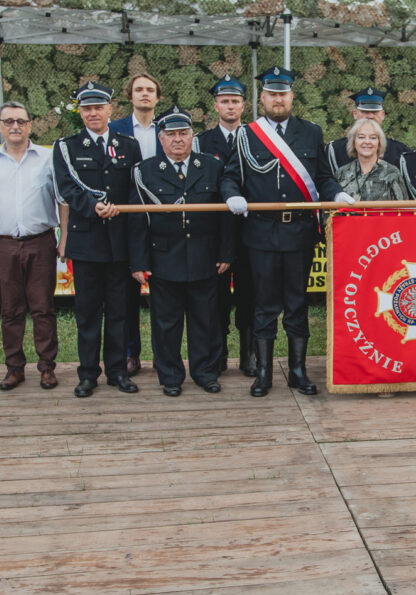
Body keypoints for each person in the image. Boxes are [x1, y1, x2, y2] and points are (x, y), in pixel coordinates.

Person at [222, 65, 353, 397]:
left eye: (283, 93)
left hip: (298, 234)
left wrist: (335, 193)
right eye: (272, 94)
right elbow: (229, 176)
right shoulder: (246, 134)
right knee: (263, 305)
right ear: (262, 97)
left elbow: (322, 176)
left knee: (296, 304)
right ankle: (264, 373)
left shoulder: (310, 132)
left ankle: (297, 371)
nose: (278, 99)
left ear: (291, 96)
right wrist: (232, 194)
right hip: (261, 235)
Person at [129, 105, 235, 396]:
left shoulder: (212, 166)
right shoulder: (143, 172)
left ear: (192, 136)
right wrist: (139, 261)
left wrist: (226, 252)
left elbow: (224, 215)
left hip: (205, 257)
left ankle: (205, 372)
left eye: (184, 133)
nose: (178, 139)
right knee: (166, 324)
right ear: (160, 139)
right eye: (171, 134)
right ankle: (171, 376)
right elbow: (138, 220)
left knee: (206, 320)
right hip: (164, 259)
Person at [53, 81, 142, 397]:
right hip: (88, 242)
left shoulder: (128, 145)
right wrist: (94, 207)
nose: (93, 113)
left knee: (119, 312)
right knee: (88, 314)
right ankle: (88, 374)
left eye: (98, 107)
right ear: (80, 111)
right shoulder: (67, 147)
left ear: (110, 109)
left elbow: (135, 187)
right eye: (86, 108)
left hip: (119, 242)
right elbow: (67, 188)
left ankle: (117, 372)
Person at [0, 101, 62, 392]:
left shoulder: (47, 158)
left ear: (30, 125)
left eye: (21, 121)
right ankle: (14, 368)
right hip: (4, 245)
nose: (15, 126)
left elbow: (63, 201)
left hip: (41, 242)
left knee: (43, 308)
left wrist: (66, 239)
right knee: (10, 310)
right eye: (8, 121)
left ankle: (47, 368)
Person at [196, 75, 256, 376]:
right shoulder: (201, 141)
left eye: (235, 101)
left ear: (243, 106)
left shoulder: (256, 137)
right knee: (214, 300)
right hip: (214, 234)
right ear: (216, 105)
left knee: (249, 297)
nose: (230, 106)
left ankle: (249, 356)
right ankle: (217, 356)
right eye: (225, 101)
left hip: (248, 233)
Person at [109, 73, 163, 377]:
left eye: (150, 90)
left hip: (161, 219)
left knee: (164, 294)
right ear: (130, 95)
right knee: (127, 293)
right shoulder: (115, 129)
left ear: (157, 97)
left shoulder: (168, 127)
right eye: (139, 89)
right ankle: (130, 353)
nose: (145, 94)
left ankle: (162, 353)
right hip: (127, 220)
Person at [326, 87, 410, 174]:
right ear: (355, 114)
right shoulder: (335, 150)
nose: (370, 116)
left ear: (383, 115)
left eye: (375, 112)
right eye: (364, 111)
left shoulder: (400, 151)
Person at [334, 118, 409, 201]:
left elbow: (403, 209)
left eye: (373, 138)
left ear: (379, 143)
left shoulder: (392, 173)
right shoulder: (341, 173)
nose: (367, 141)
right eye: (361, 137)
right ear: (353, 142)